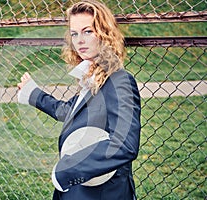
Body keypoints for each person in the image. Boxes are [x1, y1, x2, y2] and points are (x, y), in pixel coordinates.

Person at [17, 0, 141, 199]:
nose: (79, 40)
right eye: (74, 34)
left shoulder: (119, 80)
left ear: (105, 33)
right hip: (77, 189)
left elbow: (124, 144)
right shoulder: (91, 76)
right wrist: (34, 95)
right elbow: (72, 112)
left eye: (88, 31)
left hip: (101, 193)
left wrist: (67, 170)